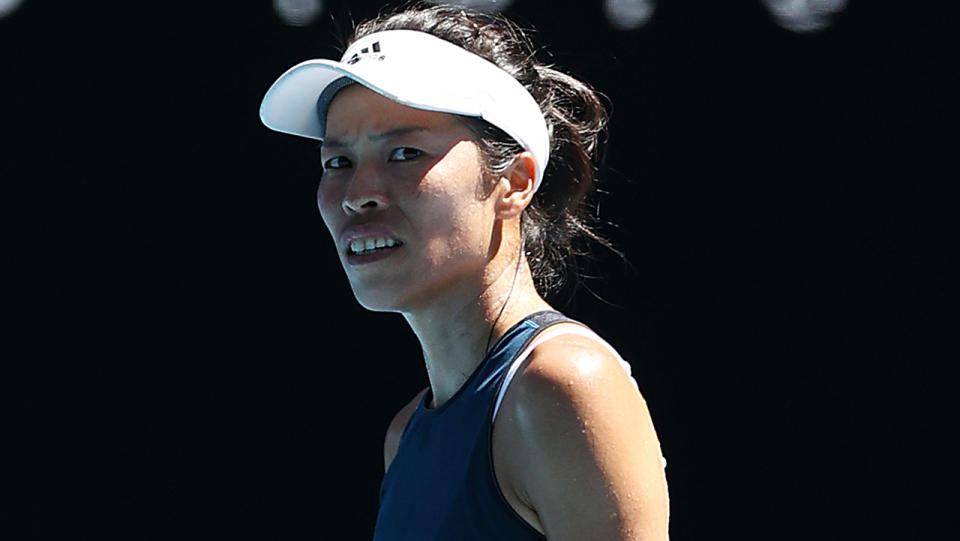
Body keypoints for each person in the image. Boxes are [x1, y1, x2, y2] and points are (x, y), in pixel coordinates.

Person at [260, 4, 669, 540]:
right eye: (338, 162)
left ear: (515, 182)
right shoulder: (404, 435)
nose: (359, 194)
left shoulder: (563, 385)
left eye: (404, 153)